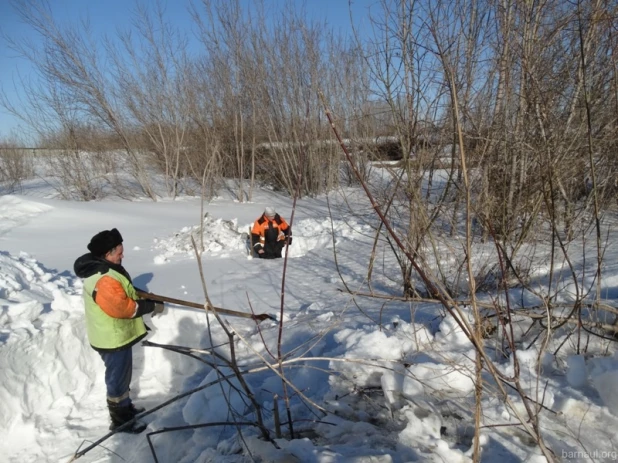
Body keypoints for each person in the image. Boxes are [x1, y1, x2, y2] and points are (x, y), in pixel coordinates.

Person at [73, 228, 164, 433]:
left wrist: (145, 297)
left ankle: (125, 408)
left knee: (122, 376)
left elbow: (124, 292)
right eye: (119, 253)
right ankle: (121, 421)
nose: (122, 256)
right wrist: (151, 306)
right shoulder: (104, 278)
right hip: (112, 338)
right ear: (107, 254)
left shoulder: (107, 269)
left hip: (115, 335)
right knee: (117, 380)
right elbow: (123, 308)